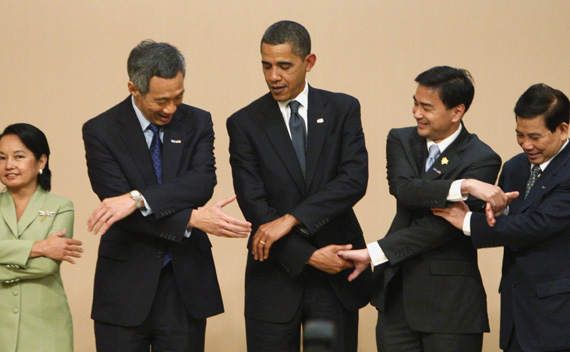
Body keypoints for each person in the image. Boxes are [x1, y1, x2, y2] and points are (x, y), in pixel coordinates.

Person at [83, 40, 251, 352]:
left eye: (178, 97)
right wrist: (192, 218)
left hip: (184, 283)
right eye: (160, 101)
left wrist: (136, 198)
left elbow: (201, 182)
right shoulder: (101, 130)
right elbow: (116, 206)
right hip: (123, 287)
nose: (170, 109)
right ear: (134, 88)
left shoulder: (197, 121)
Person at [338, 66, 508, 351]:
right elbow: (405, 190)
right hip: (395, 298)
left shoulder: (483, 158)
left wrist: (375, 252)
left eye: (426, 107)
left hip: (451, 306)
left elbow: (440, 228)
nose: (416, 113)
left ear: (457, 112)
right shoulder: (401, 139)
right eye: (415, 103)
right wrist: (464, 185)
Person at [226, 20, 372, 352]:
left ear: (309, 62)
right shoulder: (244, 123)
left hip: (336, 272)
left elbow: (353, 181)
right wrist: (308, 256)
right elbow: (253, 203)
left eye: (284, 66)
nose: (273, 76)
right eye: (266, 65)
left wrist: (291, 219)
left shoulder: (342, 109)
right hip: (275, 276)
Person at [433, 83, 570, 352]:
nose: (526, 144)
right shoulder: (516, 167)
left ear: (563, 129)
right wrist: (499, 211)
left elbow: (537, 224)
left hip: (557, 319)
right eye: (519, 134)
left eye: (535, 136)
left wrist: (469, 221)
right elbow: (515, 216)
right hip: (517, 315)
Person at [0, 123, 83, 352]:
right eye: (1, 157)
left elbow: (47, 266)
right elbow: (44, 254)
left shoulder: (60, 206)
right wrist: (40, 246)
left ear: (41, 162)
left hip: (45, 329)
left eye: (18, 156)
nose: (9, 165)